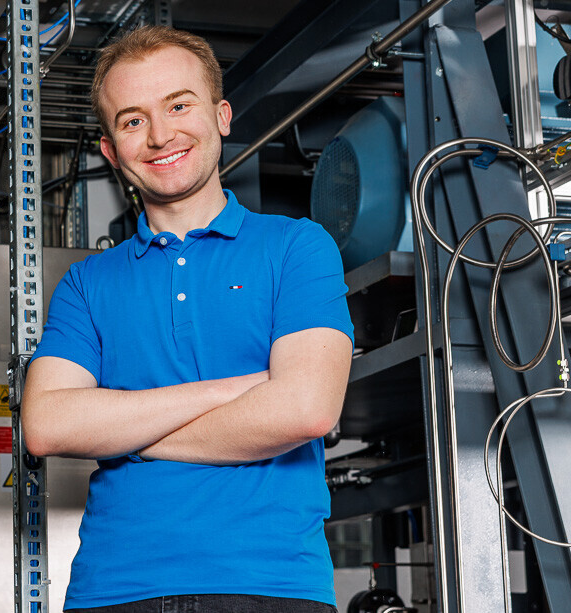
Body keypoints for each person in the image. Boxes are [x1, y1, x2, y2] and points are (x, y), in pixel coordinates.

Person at [22, 26, 354, 613]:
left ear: (221, 116)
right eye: (131, 120)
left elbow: (306, 408)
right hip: (113, 589)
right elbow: (48, 426)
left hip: (270, 585)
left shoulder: (297, 248)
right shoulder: (86, 284)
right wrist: (246, 388)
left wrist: (130, 437)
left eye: (179, 105)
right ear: (110, 151)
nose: (159, 135)